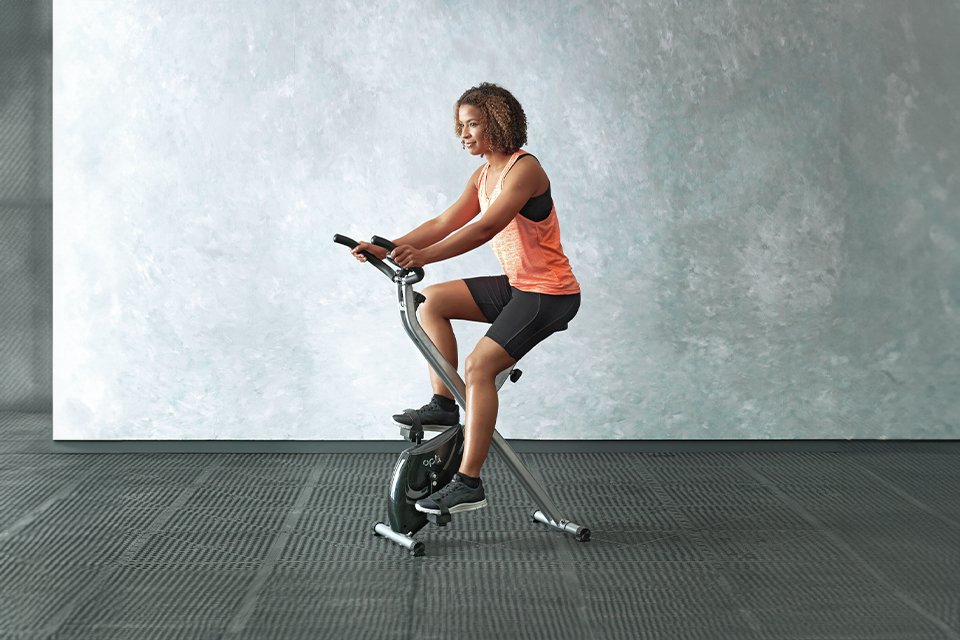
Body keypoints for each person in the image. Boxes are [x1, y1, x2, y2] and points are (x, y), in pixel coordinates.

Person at [352, 82, 580, 517]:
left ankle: (469, 482)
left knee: (479, 368)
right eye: (461, 127)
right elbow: (445, 221)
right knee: (430, 303)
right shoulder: (482, 176)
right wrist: (389, 245)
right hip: (517, 284)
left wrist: (424, 256)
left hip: (549, 294)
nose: (465, 135)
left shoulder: (524, 170)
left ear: (498, 121)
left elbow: (483, 229)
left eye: (473, 124)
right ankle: (443, 406)